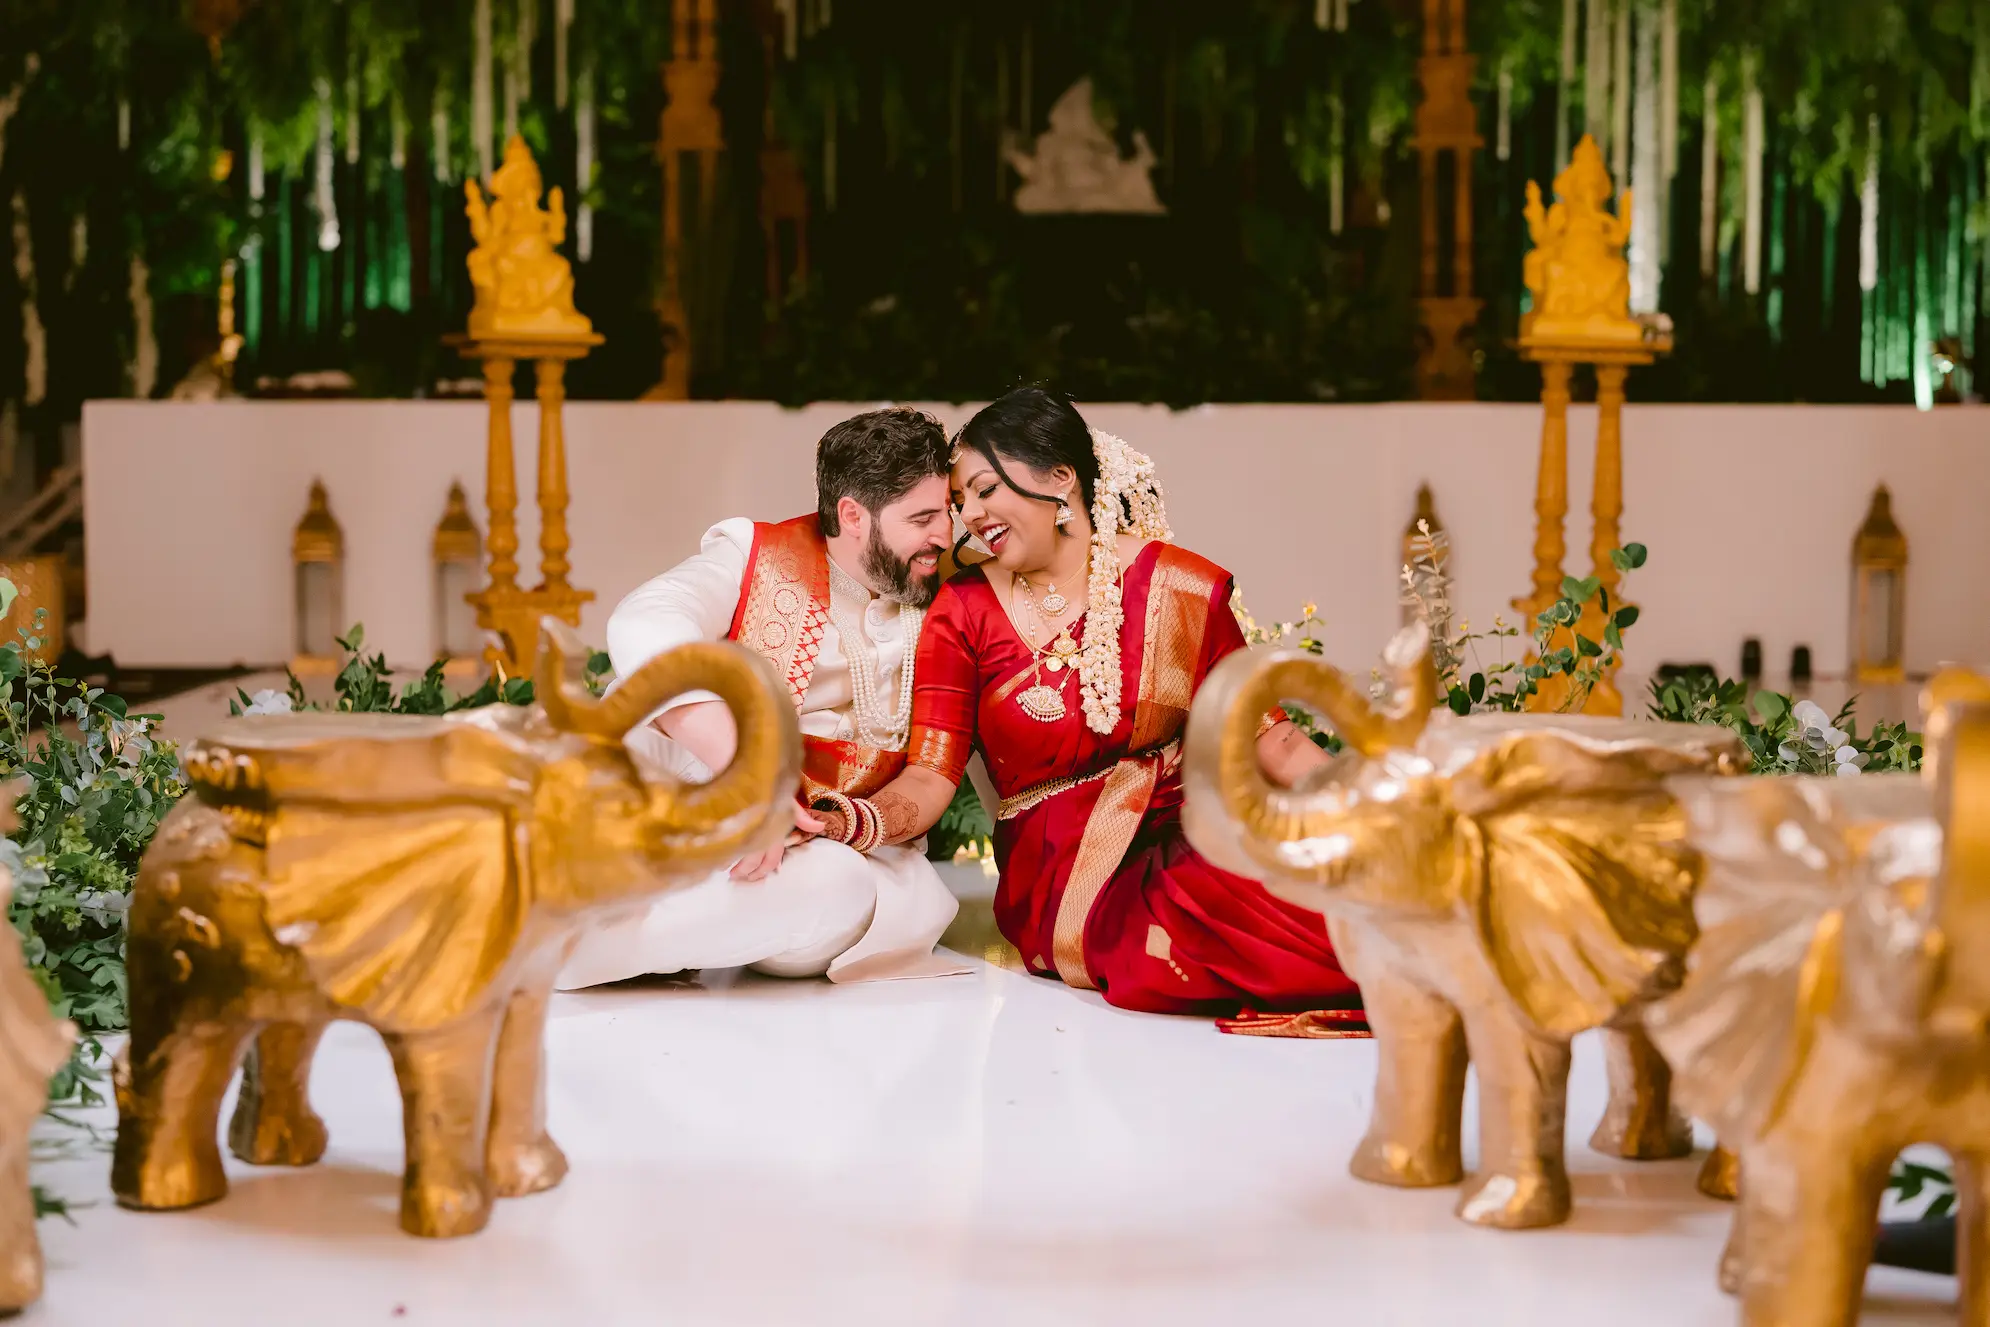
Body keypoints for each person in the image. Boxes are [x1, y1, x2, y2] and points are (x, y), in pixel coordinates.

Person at [797, 388, 1361, 1020]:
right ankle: (1417, 971)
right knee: (1215, 894)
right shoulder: (965, 608)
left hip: (1195, 824)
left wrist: (1380, 812)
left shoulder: (1177, 586)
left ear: (1061, 478)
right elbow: (931, 775)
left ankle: (1433, 950)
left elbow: (1271, 739)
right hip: (1069, 871)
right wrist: (847, 821)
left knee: (1323, 865)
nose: (969, 516)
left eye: (985, 489)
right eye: (960, 502)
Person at [557, 408, 970, 990]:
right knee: (635, 715)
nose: (944, 536)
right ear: (853, 515)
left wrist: (822, 824)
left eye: (947, 513)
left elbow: (937, 772)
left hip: (823, 851)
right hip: (705, 797)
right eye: (922, 518)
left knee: (840, 888)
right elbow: (642, 621)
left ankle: (561, 951)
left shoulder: (957, 598)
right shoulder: (757, 554)